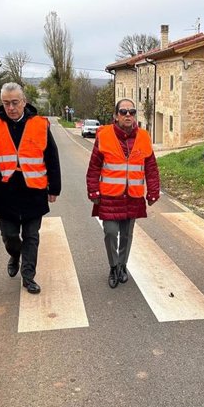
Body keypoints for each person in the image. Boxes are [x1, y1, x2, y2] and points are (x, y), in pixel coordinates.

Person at [0, 82, 61, 295]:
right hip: (6, 191)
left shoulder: (39, 124)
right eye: (6, 103)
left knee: (31, 235)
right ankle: (14, 255)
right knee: (9, 235)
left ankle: (28, 276)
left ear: (24, 101)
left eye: (15, 102)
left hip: (33, 190)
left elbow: (51, 157)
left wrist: (54, 187)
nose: (11, 107)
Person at [86, 98, 160, 289]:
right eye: (123, 112)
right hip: (109, 196)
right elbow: (94, 167)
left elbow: (151, 167)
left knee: (127, 235)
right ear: (116, 116)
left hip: (133, 196)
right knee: (110, 232)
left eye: (132, 112)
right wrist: (93, 190)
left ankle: (122, 266)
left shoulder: (144, 137)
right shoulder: (104, 136)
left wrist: (153, 191)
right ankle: (113, 266)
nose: (128, 115)